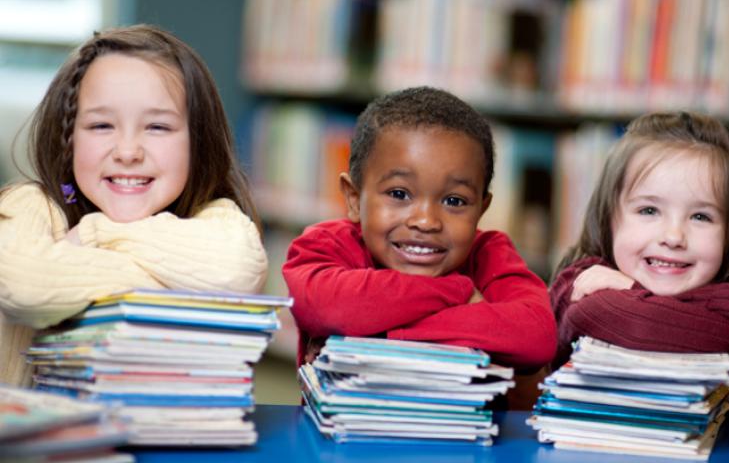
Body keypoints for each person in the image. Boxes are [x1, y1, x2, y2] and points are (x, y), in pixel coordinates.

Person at [0, 25, 267, 387]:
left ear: (198, 141)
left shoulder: (214, 216)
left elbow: (239, 269)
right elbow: (26, 288)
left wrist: (96, 233)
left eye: (157, 126)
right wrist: (170, 281)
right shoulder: (29, 206)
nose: (128, 152)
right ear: (68, 140)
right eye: (101, 125)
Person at [283, 86, 557, 390]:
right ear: (352, 198)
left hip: (461, 434)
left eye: (455, 201)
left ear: (481, 208)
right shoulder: (326, 244)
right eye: (399, 194)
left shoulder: (489, 253)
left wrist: (372, 333)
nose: (426, 221)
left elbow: (537, 336)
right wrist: (456, 293)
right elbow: (324, 307)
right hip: (344, 435)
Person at [550, 111, 729, 429]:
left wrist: (635, 295)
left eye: (701, 217)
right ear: (609, 219)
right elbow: (616, 318)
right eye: (649, 210)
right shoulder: (582, 280)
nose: (673, 237)